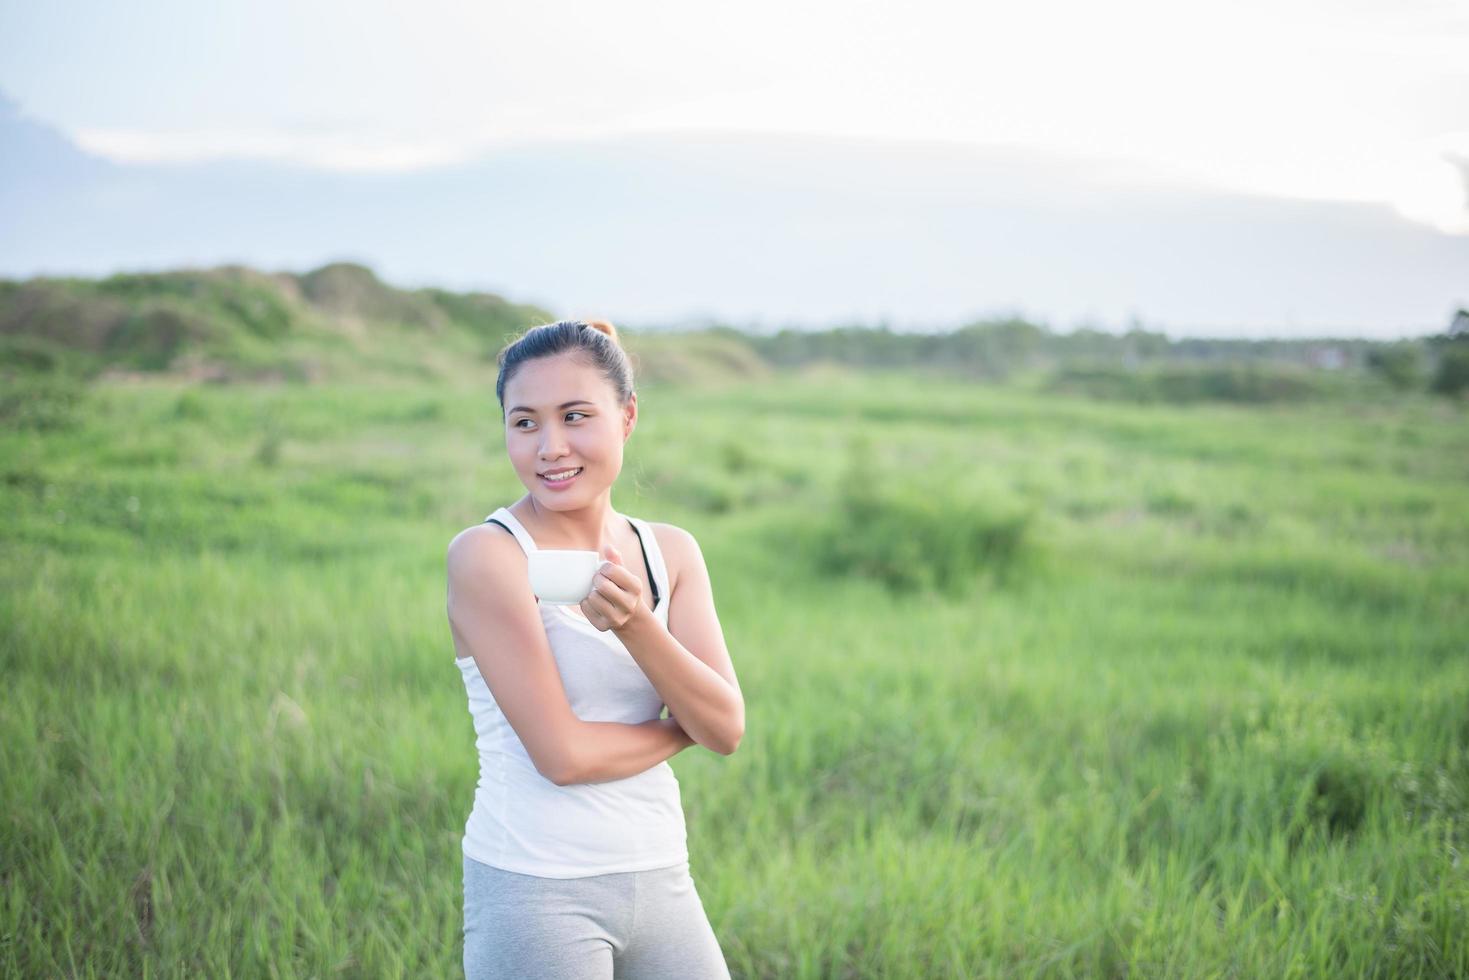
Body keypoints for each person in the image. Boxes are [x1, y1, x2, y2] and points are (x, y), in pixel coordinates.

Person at [445, 318, 743, 978]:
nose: (550, 447)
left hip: (661, 873)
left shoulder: (671, 553)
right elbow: (564, 755)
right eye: (524, 423)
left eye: (574, 416)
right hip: (535, 886)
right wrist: (682, 730)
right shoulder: (489, 557)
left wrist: (637, 624)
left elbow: (726, 727)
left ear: (627, 416)